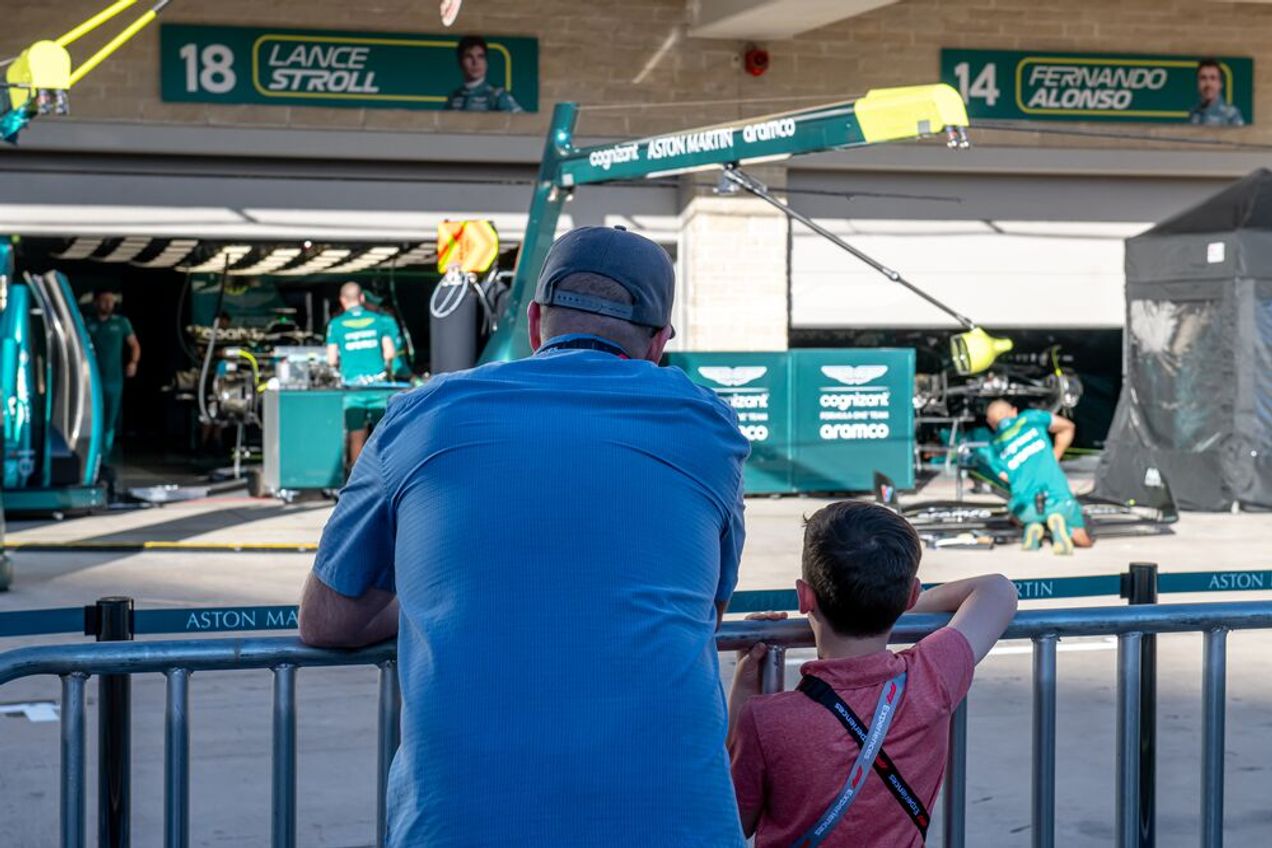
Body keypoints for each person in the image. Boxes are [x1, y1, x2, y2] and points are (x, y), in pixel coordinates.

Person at [298, 226, 750, 847]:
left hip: (467, 823)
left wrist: (452, 591)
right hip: (672, 820)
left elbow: (327, 620)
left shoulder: (423, 414)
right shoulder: (709, 428)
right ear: (660, 343)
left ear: (535, 322)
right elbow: (706, 608)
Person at [728, 501, 1017, 848]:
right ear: (912, 595)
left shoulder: (766, 719)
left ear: (804, 596)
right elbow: (997, 590)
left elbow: (733, 819)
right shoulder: (930, 679)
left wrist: (744, 687)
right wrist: (889, 605)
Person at [984, 399, 1092, 554]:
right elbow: (1068, 427)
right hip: (1060, 500)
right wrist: (1056, 454)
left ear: (990, 422)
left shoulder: (993, 448)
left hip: (1026, 508)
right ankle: (1066, 531)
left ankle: (1033, 526)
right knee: (1084, 540)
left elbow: (1006, 478)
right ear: (1014, 411)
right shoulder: (1030, 418)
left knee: (1014, 513)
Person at [325, 282, 396, 467]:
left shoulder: (336, 325)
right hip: (378, 387)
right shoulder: (378, 320)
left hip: (353, 388)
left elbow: (331, 359)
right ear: (362, 298)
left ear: (342, 301)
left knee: (356, 435)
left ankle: (358, 483)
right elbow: (389, 352)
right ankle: (385, 476)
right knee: (382, 435)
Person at [84, 290, 140, 461]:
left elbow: (135, 345)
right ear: (96, 303)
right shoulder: (88, 323)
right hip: (93, 379)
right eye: (104, 300)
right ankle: (93, 454)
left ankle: (105, 455)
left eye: (111, 301)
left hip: (114, 380)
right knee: (94, 416)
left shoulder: (122, 323)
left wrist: (133, 363)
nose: (108, 304)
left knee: (110, 419)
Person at [447, 35, 523, 112]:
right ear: (460, 62)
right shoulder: (454, 97)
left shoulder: (497, 95)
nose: (475, 62)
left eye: (480, 57)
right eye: (469, 57)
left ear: (486, 62)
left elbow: (523, 122)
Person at [1189, 58, 1244, 126]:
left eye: (1213, 78)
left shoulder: (1232, 115)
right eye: (1203, 78)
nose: (1208, 84)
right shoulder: (1194, 113)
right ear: (1198, 83)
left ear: (1220, 84)